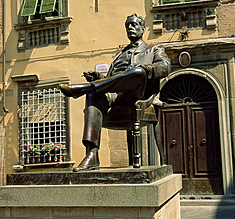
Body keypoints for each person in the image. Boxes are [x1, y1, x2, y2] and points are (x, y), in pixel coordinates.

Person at [60, 13, 171, 172]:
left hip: (138, 94)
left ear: (143, 28)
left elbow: (165, 66)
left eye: (134, 25)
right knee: (94, 95)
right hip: (115, 95)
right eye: (128, 26)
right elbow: (112, 79)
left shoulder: (153, 49)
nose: (130, 28)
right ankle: (92, 154)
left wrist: (146, 69)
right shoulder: (121, 53)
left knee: (137, 72)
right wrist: (99, 78)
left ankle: (87, 88)